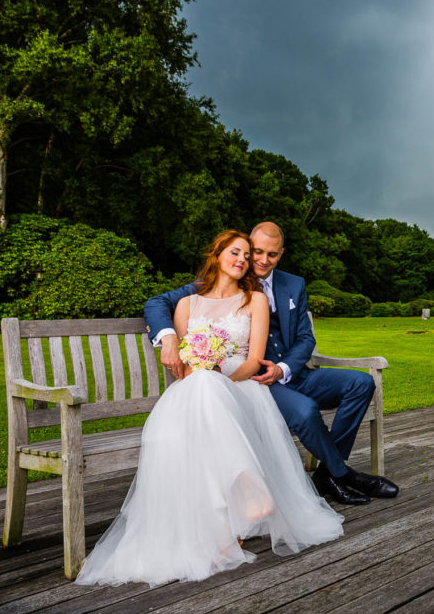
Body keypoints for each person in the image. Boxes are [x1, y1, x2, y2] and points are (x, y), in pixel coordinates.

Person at [76, 230, 344, 586]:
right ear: (217, 254)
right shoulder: (187, 304)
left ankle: (230, 517)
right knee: (200, 388)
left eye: (248, 256)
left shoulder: (255, 301)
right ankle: (238, 501)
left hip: (241, 389)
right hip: (196, 390)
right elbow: (187, 369)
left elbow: (253, 362)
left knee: (207, 388)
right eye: (237, 252)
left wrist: (220, 381)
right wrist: (183, 351)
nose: (244, 260)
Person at [144, 222, 398, 505]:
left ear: (281, 254)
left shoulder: (294, 284)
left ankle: (329, 474)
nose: (262, 260)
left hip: (292, 372)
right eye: (257, 252)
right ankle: (344, 476)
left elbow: (305, 338)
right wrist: (168, 339)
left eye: (272, 254)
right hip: (255, 380)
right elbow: (157, 303)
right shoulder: (226, 277)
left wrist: (284, 368)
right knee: (305, 411)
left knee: (361, 382)